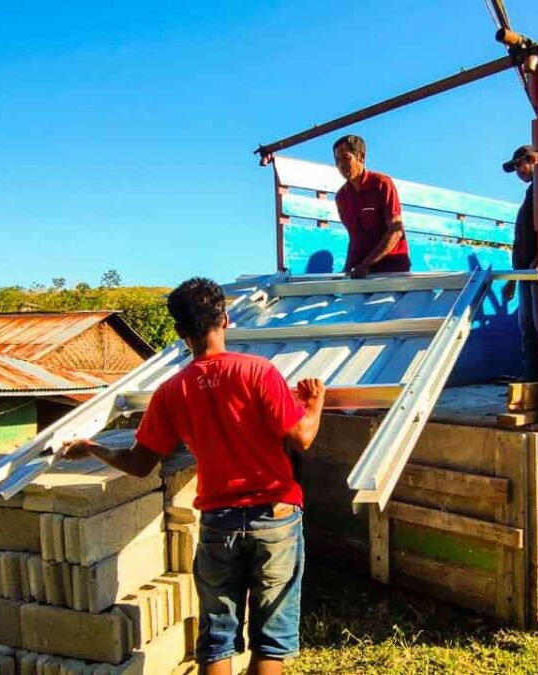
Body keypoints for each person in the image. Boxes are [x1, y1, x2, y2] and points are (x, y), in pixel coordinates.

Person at [62, 277, 326, 675]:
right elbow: (302, 438)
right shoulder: (258, 372)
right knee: (271, 641)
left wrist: (92, 447)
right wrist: (313, 405)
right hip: (274, 517)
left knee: (217, 640)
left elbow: (139, 464)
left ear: (181, 333)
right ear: (225, 319)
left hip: (219, 522)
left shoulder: (170, 392)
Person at [332, 134, 411, 278]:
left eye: (346, 158)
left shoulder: (382, 184)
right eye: (337, 160)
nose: (341, 165)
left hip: (392, 269)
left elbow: (395, 231)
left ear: (361, 156)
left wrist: (366, 265)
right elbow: (354, 238)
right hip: (364, 272)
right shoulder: (341, 197)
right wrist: (347, 270)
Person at [500, 144, 538, 382]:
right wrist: (513, 280)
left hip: (537, 272)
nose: (518, 171)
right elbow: (522, 243)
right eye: (515, 167)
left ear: (534, 159)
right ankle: (532, 377)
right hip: (526, 272)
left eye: (520, 165)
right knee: (528, 327)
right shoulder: (531, 195)